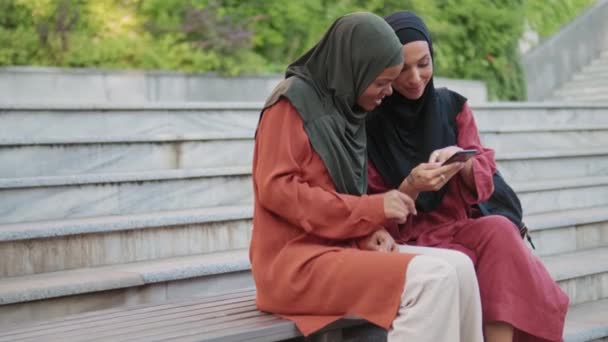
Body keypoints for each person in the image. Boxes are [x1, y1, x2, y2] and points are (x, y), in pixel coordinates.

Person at [251, 12, 483, 341]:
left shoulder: (348, 113)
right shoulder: (290, 106)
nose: (389, 91)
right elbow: (278, 191)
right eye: (381, 82)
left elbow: (338, 196)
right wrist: (373, 210)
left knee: (459, 268)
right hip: (295, 265)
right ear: (354, 69)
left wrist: (366, 233)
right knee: (433, 279)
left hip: (341, 250)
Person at [365, 11, 569, 342]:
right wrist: (412, 187)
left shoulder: (451, 106)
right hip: (412, 238)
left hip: (459, 226)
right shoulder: (371, 124)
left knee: (501, 231)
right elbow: (374, 205)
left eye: (424, 63)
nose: (416, 77)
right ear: (385, 68)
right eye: (402, 68)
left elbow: (483, 167)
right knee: (465, 259)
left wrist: (461, 162)